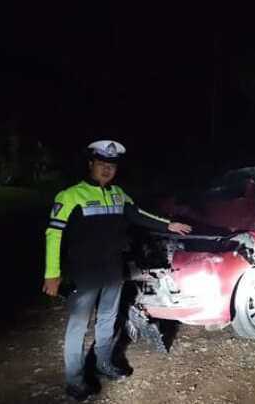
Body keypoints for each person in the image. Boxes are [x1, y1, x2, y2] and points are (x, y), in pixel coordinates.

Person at [42, 140, 192, 401]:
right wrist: (51, 274)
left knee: (108, 321)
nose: (106, 169)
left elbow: (140, 215)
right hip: (84, 275)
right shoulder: (69, 196)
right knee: (78, 327)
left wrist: (169, 225)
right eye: (101, 164)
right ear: (91, 164)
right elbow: (53, 235)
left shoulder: (119, 195)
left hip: (113, 272)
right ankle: (75, 381)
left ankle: (103, 364)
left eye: (111, 166)